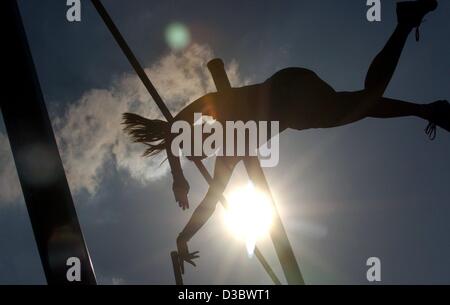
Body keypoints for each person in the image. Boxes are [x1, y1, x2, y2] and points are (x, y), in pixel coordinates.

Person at [123, 0, 447, 270]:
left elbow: (173, 130)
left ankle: (406, 28)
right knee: (362, 102)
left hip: (289, 95)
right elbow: (208, 204)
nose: (206, 150)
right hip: (298, 97)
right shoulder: (232, 151)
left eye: (199, 145)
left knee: (360, 102)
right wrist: (183, 238)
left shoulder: (216, 108)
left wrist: (178, 178)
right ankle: (426, 108)